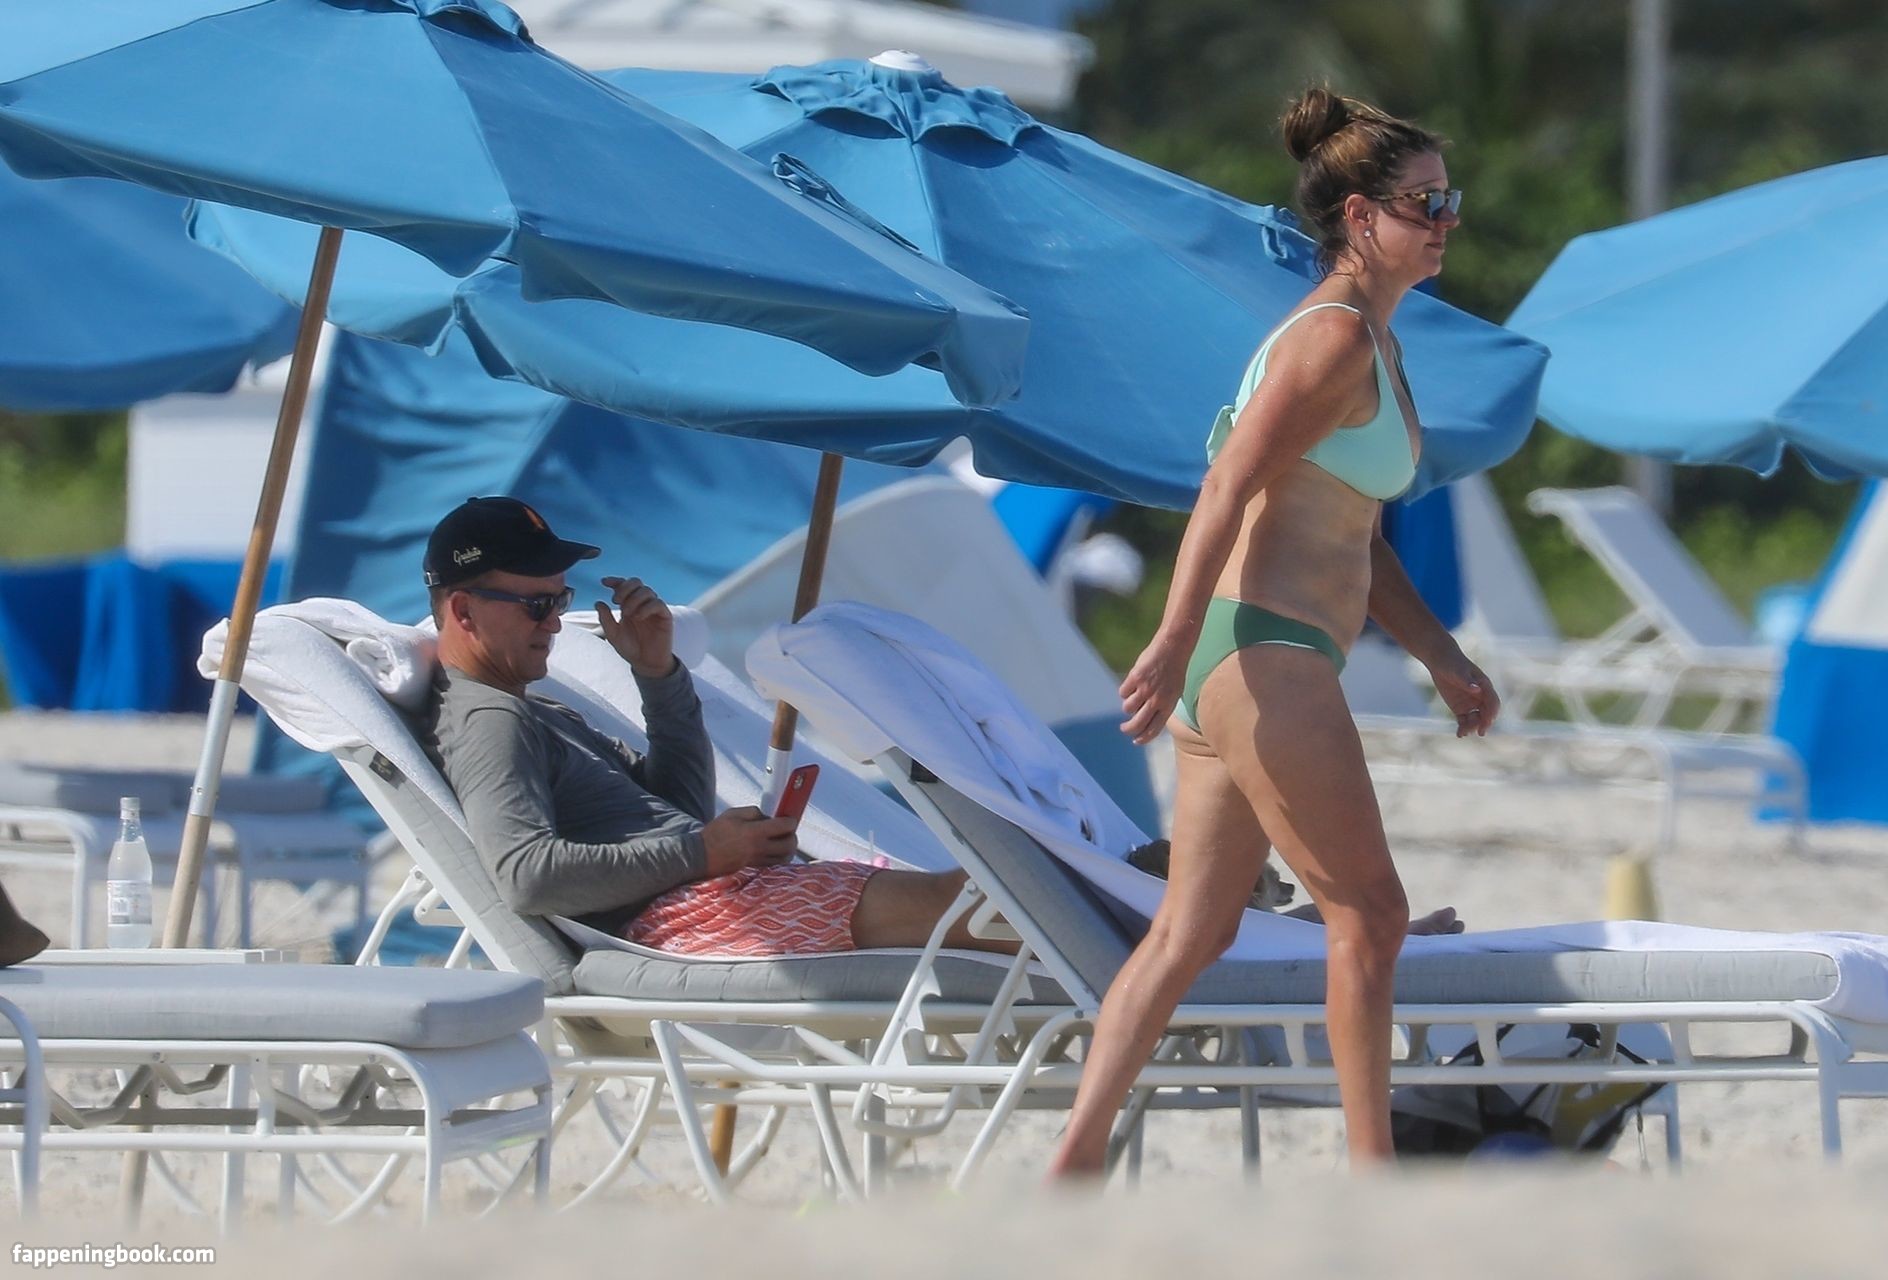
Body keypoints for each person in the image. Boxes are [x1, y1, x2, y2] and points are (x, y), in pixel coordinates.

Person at [1049, 88, 1498, 1176]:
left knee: (1193, 931)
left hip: (1253, 660)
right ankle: (1372, 1179)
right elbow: (1224, 485)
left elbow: (1358, 538)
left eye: (1450, 199)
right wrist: (1170, 638)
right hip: (1263, 654)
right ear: (1360, 218)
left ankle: (1073, 1165)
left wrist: (1443, 657)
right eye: (1423, 202)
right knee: (1372, 916)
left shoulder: (1373, 343)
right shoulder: (1332, 338)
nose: (1444, 220)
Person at [419, 496, 1009, 959]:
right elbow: (526, 876)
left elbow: (679, 806)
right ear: (464, 610)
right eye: (536, 604)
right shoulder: (490, 719)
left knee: (990, 902)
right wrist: (704, 852)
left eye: (559, 599)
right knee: (983, 905)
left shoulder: (540, 712)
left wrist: (658, 675)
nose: (553, 622)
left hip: (707, 901)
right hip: (689, 922)